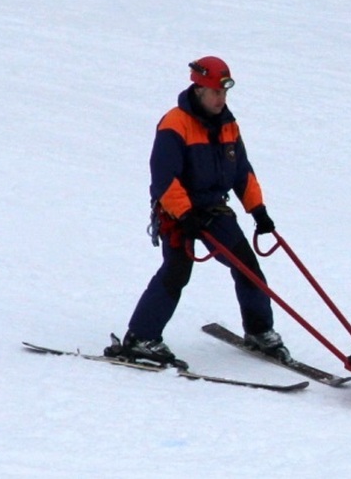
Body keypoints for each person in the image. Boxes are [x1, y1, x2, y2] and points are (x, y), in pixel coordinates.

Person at [105, 56, 289, 366]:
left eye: (224, 93)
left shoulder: (228, 124)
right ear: (199, 89)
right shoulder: (175, 123)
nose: (221, 99)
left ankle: (259, 332)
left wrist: (258, 210)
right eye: (215, 92)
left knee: (248, 268)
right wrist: (185, 215)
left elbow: (241, 171)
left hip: (214, 209)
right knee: (177, 272)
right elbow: (164, 179)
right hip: (177, 214)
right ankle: (141, 337)